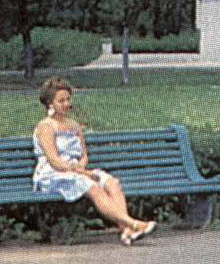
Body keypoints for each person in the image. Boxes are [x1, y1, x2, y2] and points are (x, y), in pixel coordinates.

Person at [31, 79, 153, 244]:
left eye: (68, 99)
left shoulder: (73, 125)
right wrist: (78, 171)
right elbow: (54, 161)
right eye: (61, 100)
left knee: (112, 183)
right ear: (49, 104)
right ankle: (134, 224)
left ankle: (126, 231)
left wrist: (82, 166)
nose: (66, 104)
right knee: (94, 187)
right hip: (53, 174)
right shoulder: (46, 127)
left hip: (77, 170)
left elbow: (83, 155)